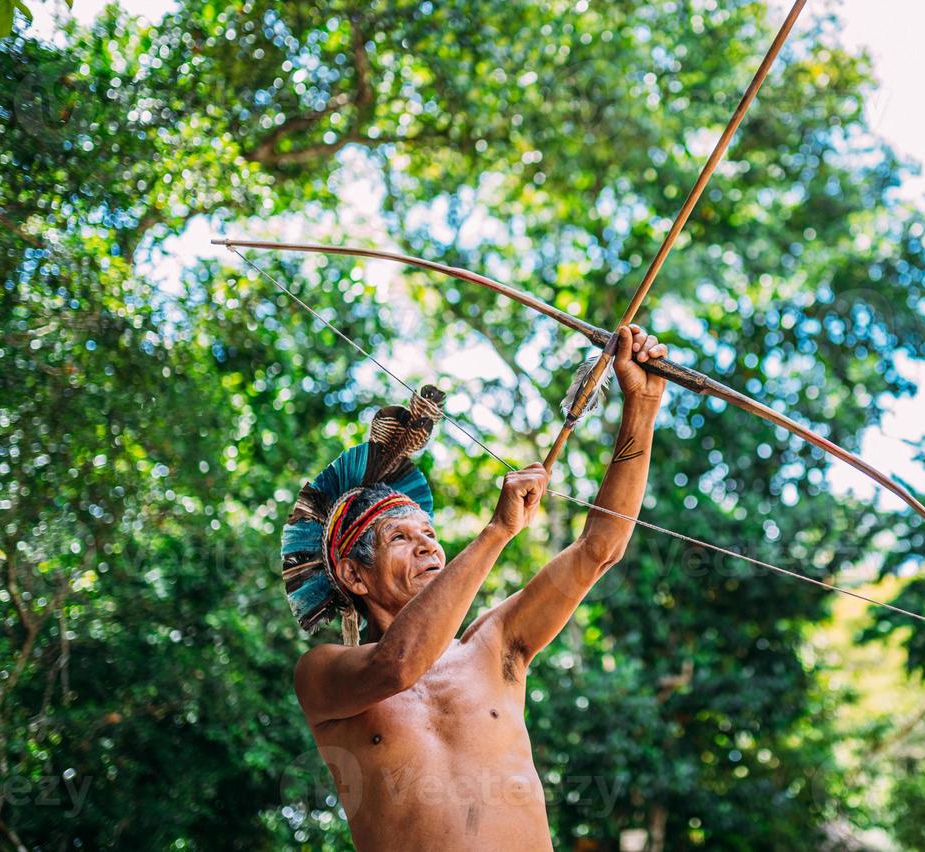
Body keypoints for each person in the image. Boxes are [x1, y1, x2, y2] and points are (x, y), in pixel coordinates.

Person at [280, 325, 668, 850]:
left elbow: (599, 549)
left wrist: (640, 408)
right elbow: (397, 665)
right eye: (400, 537)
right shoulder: (323, 674)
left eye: (431, 535)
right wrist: (497, 532)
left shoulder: (497, 642)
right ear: (354, 575)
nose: (428, 548)